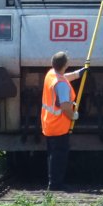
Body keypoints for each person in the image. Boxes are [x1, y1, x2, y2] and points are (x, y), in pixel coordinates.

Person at [41, 51, 84, 191]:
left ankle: (52, 182)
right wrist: (73, 116)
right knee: (59, 156)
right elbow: (65, 106)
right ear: (66, 64)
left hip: (49, 123)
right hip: (59, 125)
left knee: (52, 154)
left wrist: (79, 73)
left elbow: (63, 77)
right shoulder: (62, 86)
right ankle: (55, 184)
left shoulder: (51, 74)